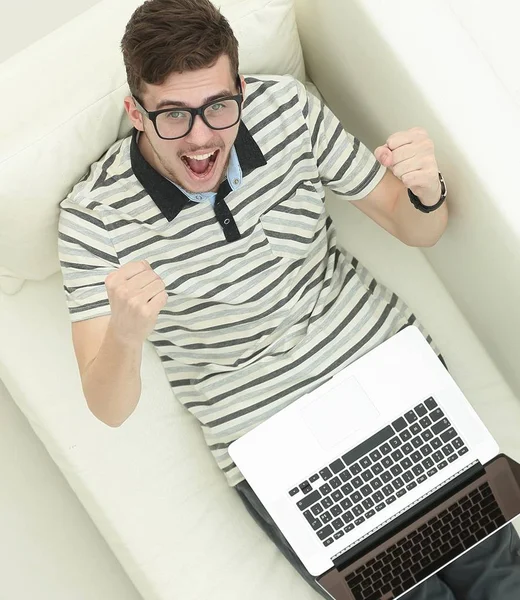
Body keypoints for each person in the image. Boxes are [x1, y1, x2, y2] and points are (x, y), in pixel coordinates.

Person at [57, 0, 520, 598]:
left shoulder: (287, 111)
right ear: (136, 112)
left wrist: (427, 192)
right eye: (173, 115)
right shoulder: (92, 219)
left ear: (241, 93)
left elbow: (417, 229)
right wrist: (123, 334)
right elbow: (108, 407)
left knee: (498, 575)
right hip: (280, 447)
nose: (201, 139)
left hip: (389, 384)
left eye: (219, 108)